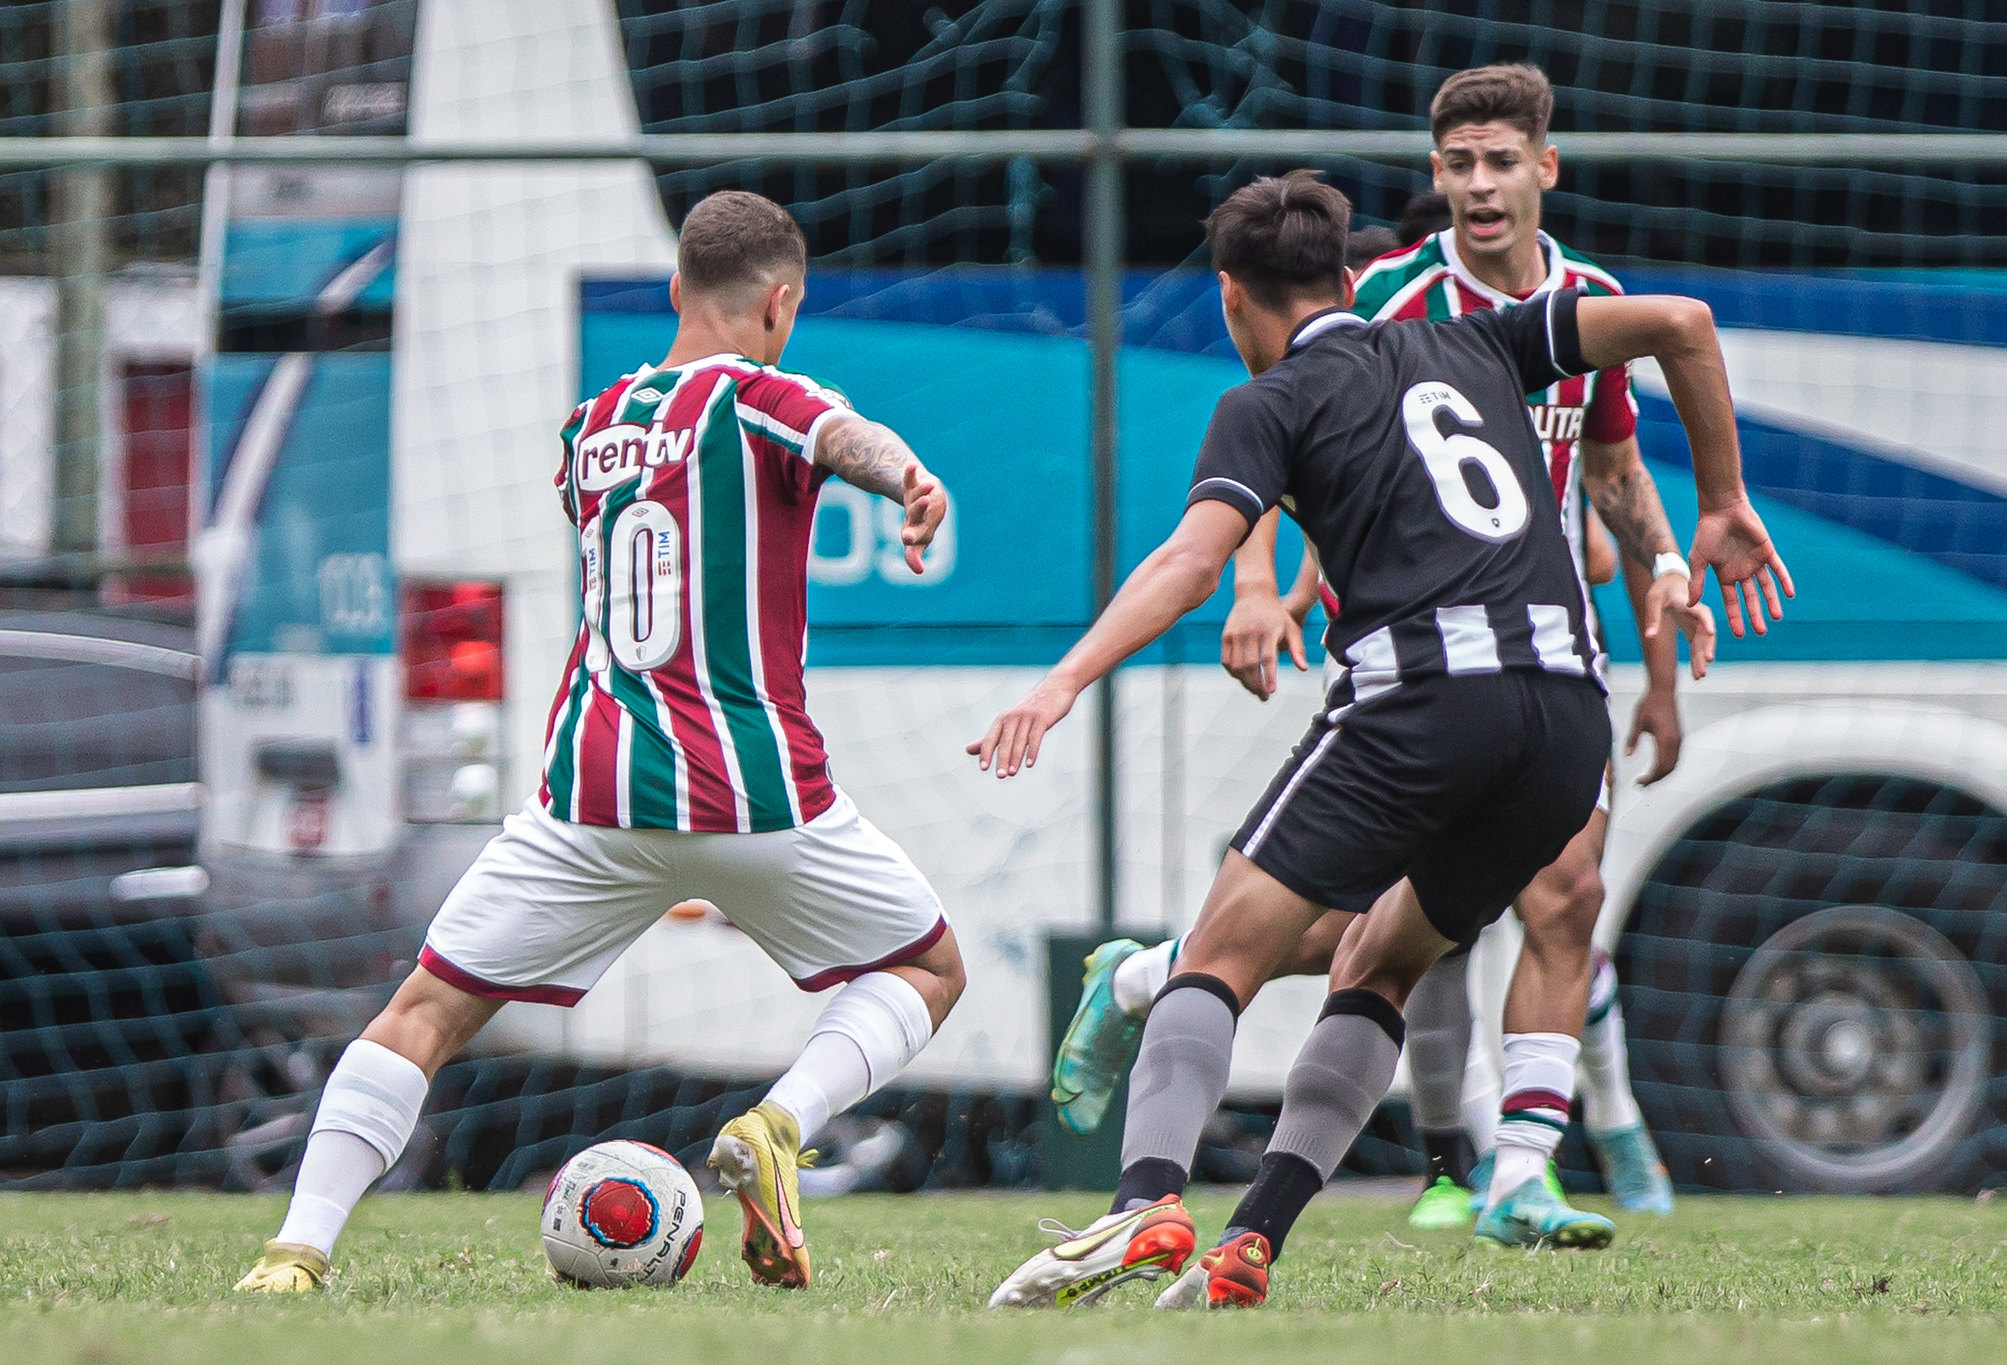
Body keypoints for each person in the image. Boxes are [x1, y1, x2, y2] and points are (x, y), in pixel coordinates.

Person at [982, 170, 1787, 1309]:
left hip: (1423, 701)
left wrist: (1061, 681)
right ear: (1345, 276)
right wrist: (1718, 502)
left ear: (1230, 297)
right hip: (1564, 722)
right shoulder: (1478, 342)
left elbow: (1189, 562)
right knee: (1379, 963)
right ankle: (1250, 1243)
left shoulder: (1265, 403)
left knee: (1219, 956)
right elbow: (1681, 324)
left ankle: (1142, 1208)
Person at [234, 190, 966, 1295]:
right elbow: (841, 436)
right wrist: (908, 478)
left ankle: (296, 1251)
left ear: (676, 291)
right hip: (751, 799)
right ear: (780, 302)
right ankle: (778, 1123)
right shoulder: (764, 397)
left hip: (589, 800)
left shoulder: (589, 429)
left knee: (421, 1016)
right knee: (926, 966)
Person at [1049, 64, 1695, 1233]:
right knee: (1370, 943)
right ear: (1431, 178)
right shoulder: (1409, 307)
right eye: (1458, 165)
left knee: (1559, 897)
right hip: (1451, 656)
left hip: (1535, 651)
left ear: (1544, 169)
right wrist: (1266, 586)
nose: (1480, 185)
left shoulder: (1562, 307)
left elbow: (1612, 481)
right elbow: (1299, 449)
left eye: (1501, 161)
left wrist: (1658, 635)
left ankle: (1511, 1171)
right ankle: (1424, 1165)